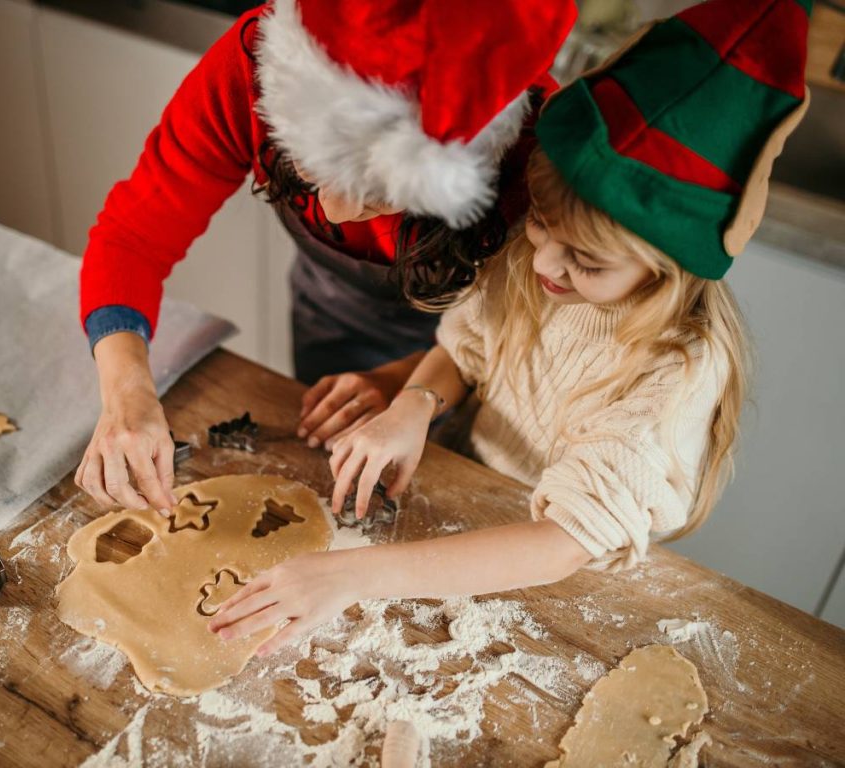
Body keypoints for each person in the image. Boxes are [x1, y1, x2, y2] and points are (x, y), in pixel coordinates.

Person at [207, 0, 811, 655]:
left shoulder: (677, 369)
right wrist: (412, 401)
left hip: (558, 590)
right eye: (543, 226)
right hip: (461, 519)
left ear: (669, 271)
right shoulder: (536, 261)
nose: (546, 262)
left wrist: (348, 576)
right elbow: (467, 350)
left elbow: (560, 544)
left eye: (586, 261)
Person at [74, 0, 577, 512]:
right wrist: (128, 392)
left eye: (381, 196)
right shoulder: (257, 59)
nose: (334, 213)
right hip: (329, 314)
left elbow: (529, 341)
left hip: (483, 368)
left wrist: (404, 384)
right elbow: (134, 235)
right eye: (310, 170)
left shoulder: (540, 152)